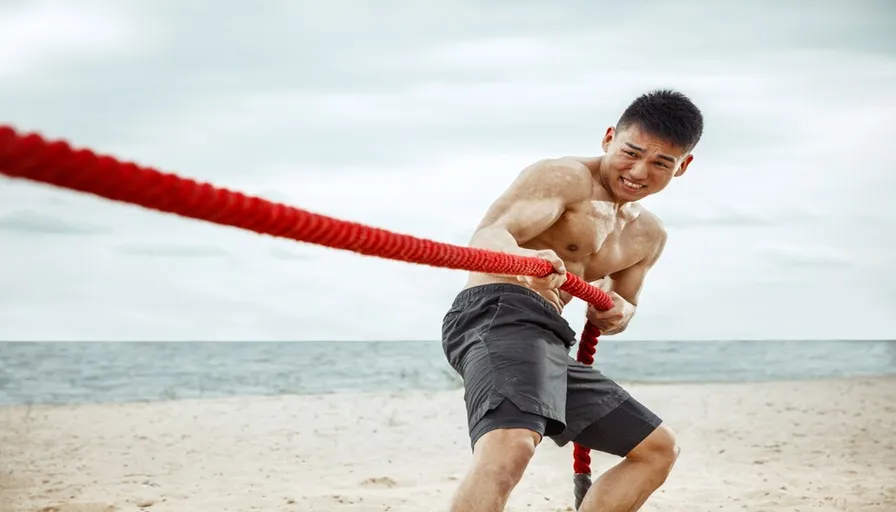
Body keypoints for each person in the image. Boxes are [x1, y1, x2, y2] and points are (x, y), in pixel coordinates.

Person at [440, 89, 704, 512]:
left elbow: (624, 305)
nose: (639, 171)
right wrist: (524, 258)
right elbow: (489, 234)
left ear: (683, 166)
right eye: (630, 152)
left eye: (661, 163)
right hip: (498, 310)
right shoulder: (565, 177)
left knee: (656, 450)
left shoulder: (648, 235)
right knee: (510, 446)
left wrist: (618, 312)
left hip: (549, 337)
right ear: (607, 139)